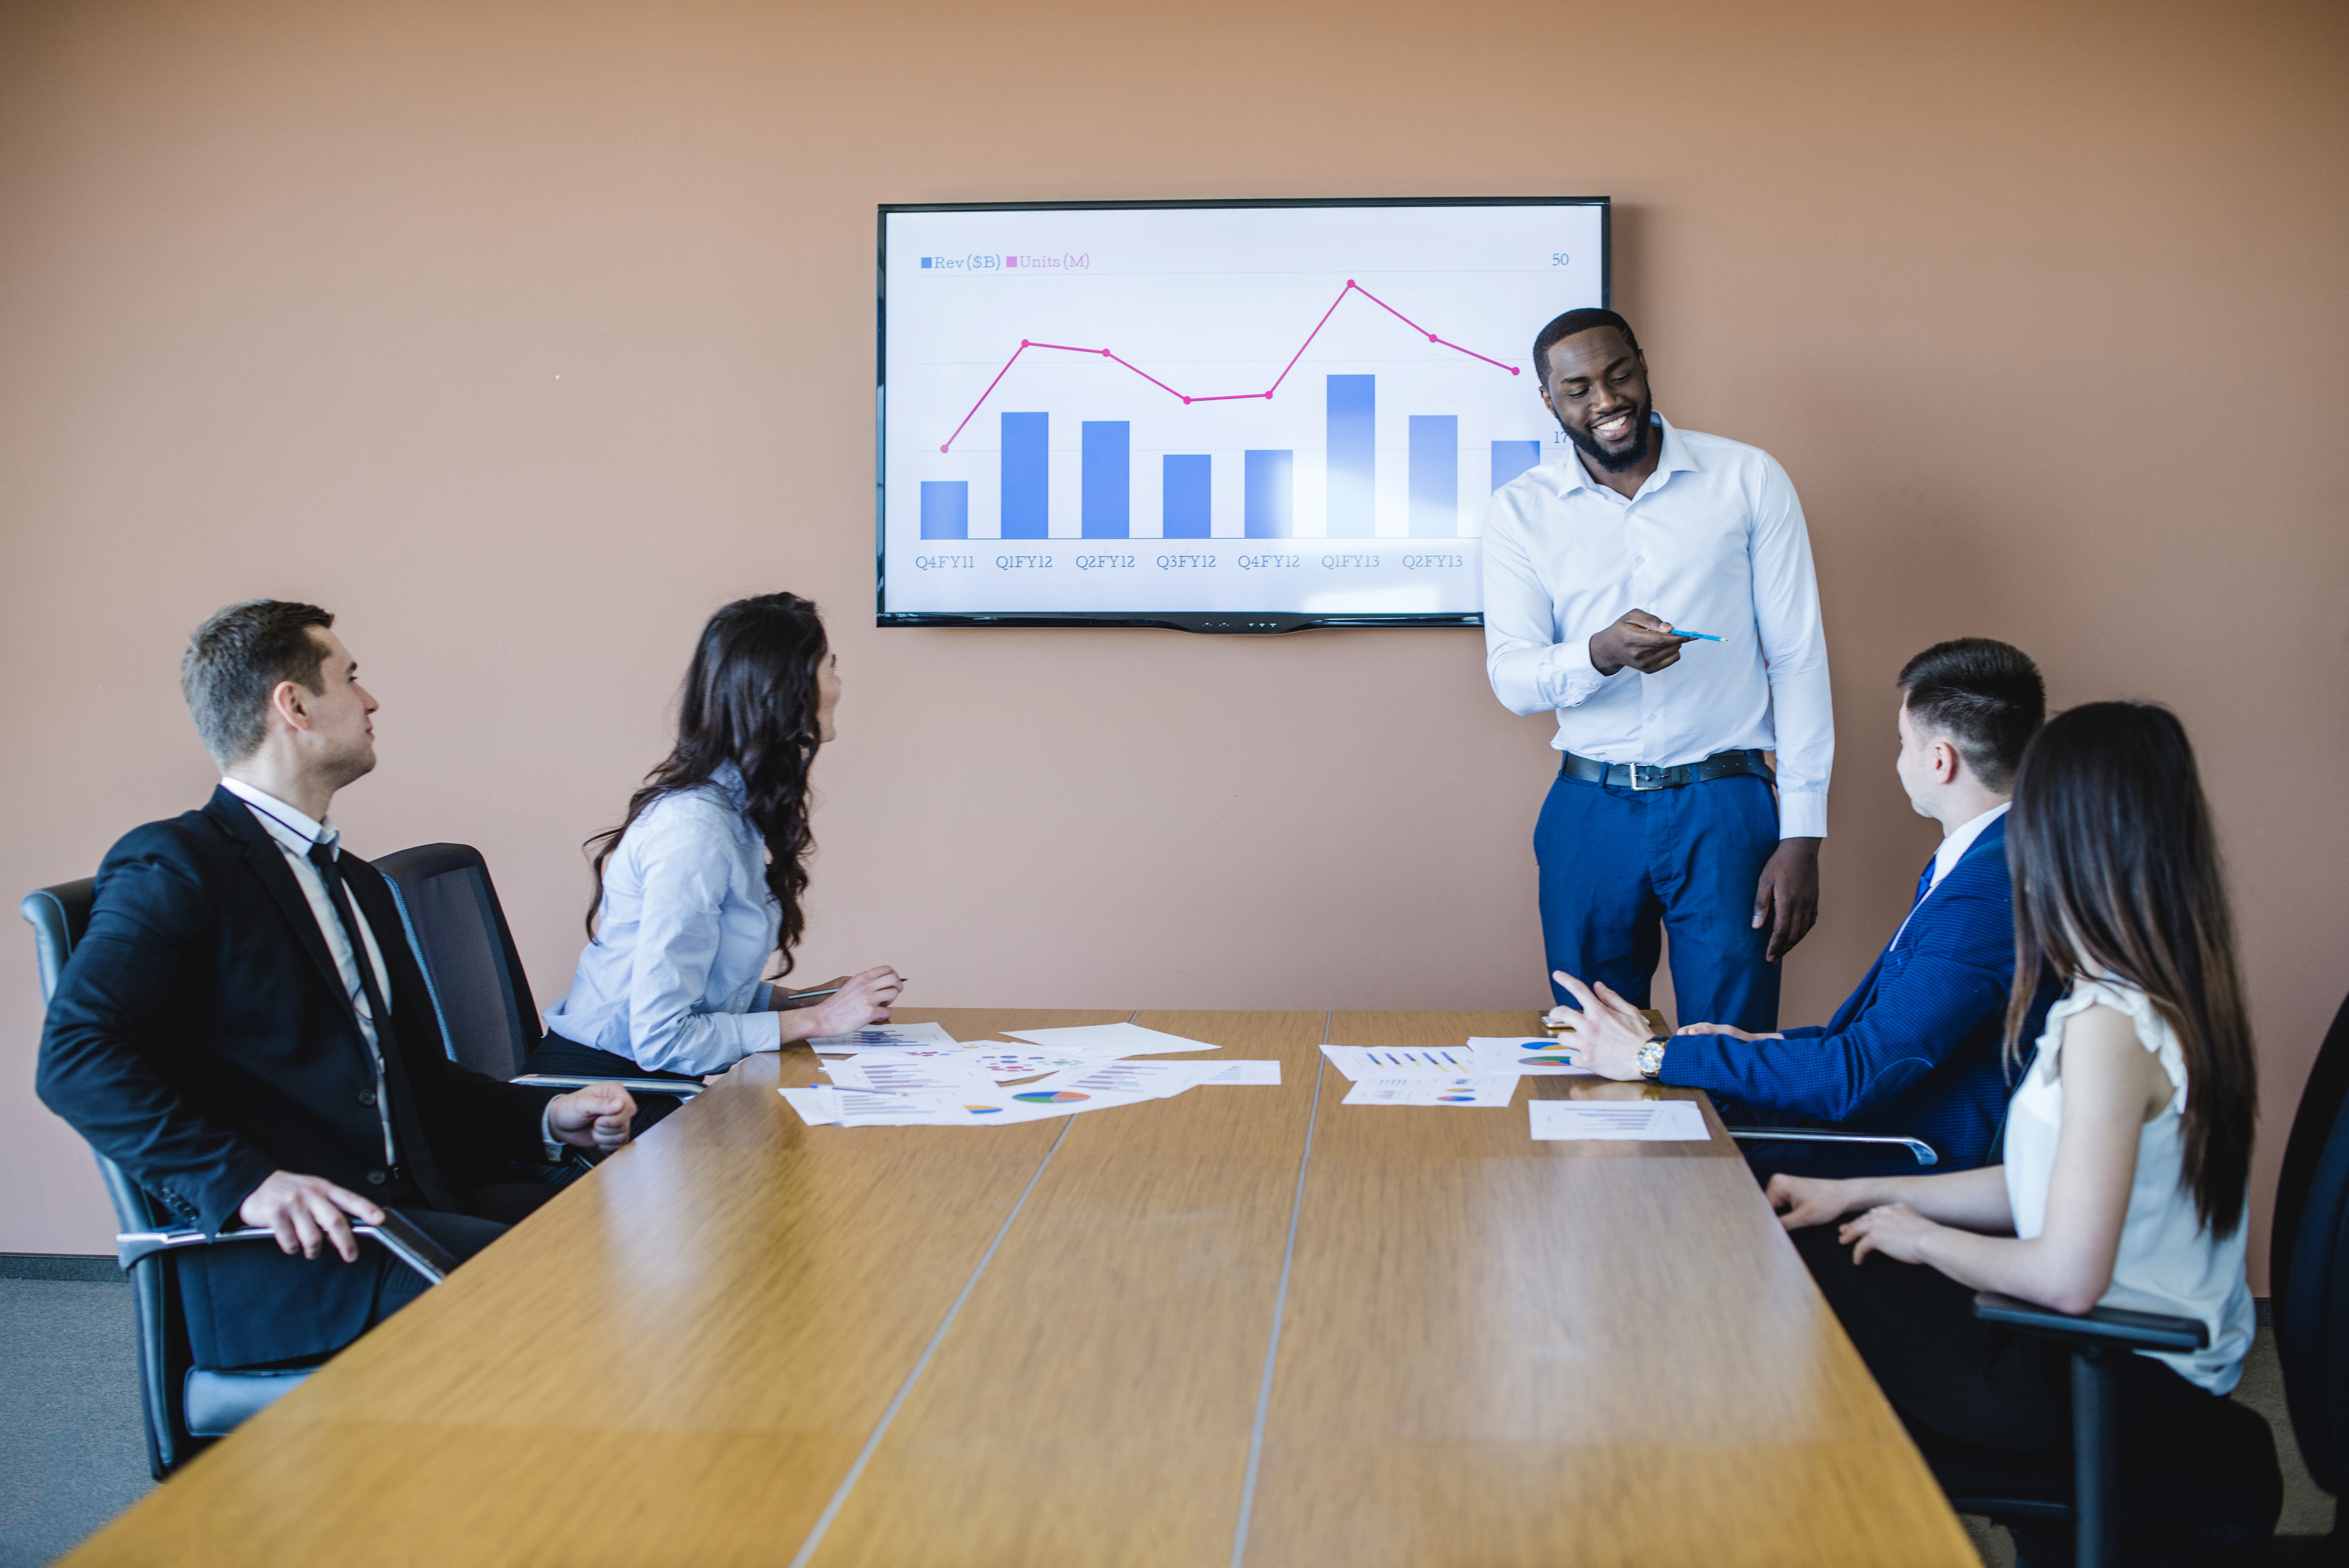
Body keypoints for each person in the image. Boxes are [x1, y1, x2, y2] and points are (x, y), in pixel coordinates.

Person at [38, 600, 639, 1373]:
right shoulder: (177, 865)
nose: (371, 699)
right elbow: (76, 1058)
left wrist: (551, 1116)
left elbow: (418, 1083)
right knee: (575, 1300)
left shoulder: (354, 882)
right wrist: (246, 1184)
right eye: (349, 678)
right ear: (292, 705)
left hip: (410, 1211)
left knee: (650, 1237)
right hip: (301, 1259)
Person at [1770, 703, 2263, 1559]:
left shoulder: (2111, 1027)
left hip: (2101, 1368)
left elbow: (2067, 1277)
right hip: (2091, 1347)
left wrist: (1917, 1239)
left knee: (1789, 1290)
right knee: (1812, 1246)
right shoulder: (2139, 990)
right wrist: (1859, 1190)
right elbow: (2043, 1181)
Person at [1548, 638, 2062, 1174]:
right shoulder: (1994, 859)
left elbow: (1859, 1075)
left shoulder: (1985, 892)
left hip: (1891, 1159)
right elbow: (1885, 1044)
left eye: (1903, 743)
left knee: (1628, 1157)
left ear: (1940, 761)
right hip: (1874, 1127)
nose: (1899, 760)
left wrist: (1651, 1056)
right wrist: (1757, 1043)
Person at [1483, 307, 1832, 1035]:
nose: (1606, 401)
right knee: (1595, 1040)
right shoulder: (1521, 512)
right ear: (1550, 401)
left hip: (1726, 805)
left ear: (1643, 367)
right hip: (1592, 808)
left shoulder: (1747, 477)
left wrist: (1802, 834)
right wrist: (1600, 653)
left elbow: (1797, 657)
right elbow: (1511, 679)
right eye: (1577, 389)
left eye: (1619, 376)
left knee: (1731, 1045)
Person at [531, 593, 901, 1118]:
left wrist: (808, 1000)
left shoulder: (732, 811)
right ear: (786, 691)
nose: (839, 688)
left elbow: (700, 990)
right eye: (831, 670)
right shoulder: (695, 831)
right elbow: (662, 1038)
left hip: (644, 1088)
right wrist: (820, 1022)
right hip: (607, 1103)